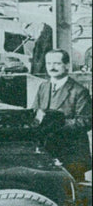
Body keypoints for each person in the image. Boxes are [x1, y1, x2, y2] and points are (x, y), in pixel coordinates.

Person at [32, 49, 92, 179]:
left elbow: (86, 121)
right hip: (47, 150)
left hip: (71, 152)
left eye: (56, 64)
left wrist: (56, 124)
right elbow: (34, 112)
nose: (52, 67)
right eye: (49, 64)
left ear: (66, 66)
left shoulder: (79, 91)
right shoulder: (43, 86)